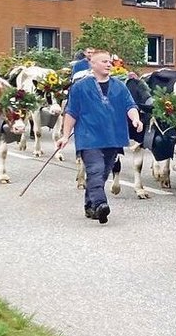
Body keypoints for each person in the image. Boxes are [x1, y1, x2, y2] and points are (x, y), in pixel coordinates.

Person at [58, 50, 141, 225]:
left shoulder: (120, 86)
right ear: (92, 64)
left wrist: (135, 119)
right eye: (104, 61)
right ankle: (101, 204)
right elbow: (71, 112)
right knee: (95, 169)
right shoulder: (80, 87)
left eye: (110, 61)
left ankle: (90, 205)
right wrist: (65, 135)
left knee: (102, 173)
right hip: (89, 137)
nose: (108, 64)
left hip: (113, 137)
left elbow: (130, 105)